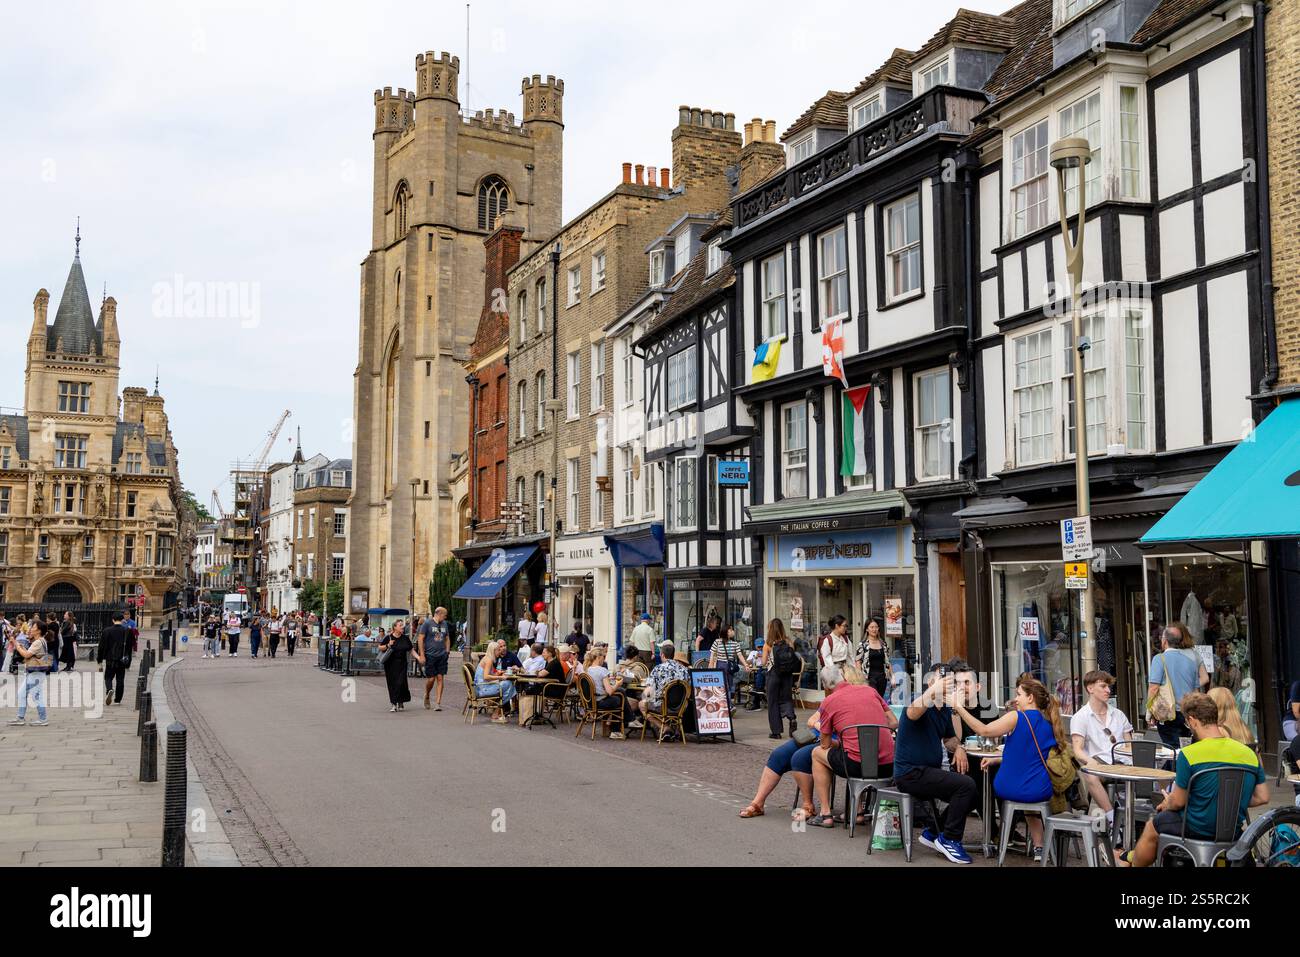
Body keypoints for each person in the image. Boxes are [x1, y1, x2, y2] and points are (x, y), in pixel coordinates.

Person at [1117, 692, 1269, 866]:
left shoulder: (1189, 754)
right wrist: (1228, 801)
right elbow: (1262, 797)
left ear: (1193, 720)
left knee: (1154, 824)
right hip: (1232, 829)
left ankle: (1131, 862)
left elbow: (1178, 802)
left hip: (1196, 827)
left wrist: (1167, 803)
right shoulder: (1248, 753)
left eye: (1187, 723)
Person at [953, 674, 1067, 861]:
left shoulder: (1016, 717)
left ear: (1030, 698)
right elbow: (1028, 754)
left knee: (995, 784)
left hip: (1010, 788)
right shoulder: (1049, 723)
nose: (1016, 699)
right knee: (1027, 789)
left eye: (1019, 694)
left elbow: (984, 731)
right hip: (1041, 789)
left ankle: (998, 838)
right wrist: (998, 759)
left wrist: (958, 707)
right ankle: (1039, 847)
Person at [891, 660, 976, 865]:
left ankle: (934, 832)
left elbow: (950, 739)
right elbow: (912, 712)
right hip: (910, 773)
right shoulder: (919, 702)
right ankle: (949, 839)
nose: (947, 684)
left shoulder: (944, 709)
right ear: (930, 683)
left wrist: (961, 748)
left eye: (949, 681)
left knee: (976, 787)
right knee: (966, 786)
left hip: (929, 772)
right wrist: (933, 692)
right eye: (942, 680)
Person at [807, 664, 897, 828]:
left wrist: (819, 727)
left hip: (857, 766)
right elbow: (894, 722)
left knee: (816, 753)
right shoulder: (870, 691)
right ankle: (857, 813)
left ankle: (825, 813)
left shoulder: (830, 701)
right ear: (843, 676)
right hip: (887, 765)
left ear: (826, 685)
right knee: (859, 751)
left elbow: (825, 744)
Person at [1069, 670, 1134, 827]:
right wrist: (1091, 762)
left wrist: (1134, 760)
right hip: (1100, 761)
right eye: (1103, 686)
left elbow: (1130, 745)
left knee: (1158, 772)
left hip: (1123, 762)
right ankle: (1112, 819)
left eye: (1109, 686)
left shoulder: (1118, 715)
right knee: (1091, 775)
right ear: (1090, 688)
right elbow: (1077, 750)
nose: (1108, 690)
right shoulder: (1081, 717)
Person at [1147, 622, 1210, 749]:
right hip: (1188, 713)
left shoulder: (1159, 659)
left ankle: (1176, 768)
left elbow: (1154, 688)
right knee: (1186, 748)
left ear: (1164, 641)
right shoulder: (1190, 661)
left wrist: (1149, 711)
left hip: (1168, 714)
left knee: (1172, 750)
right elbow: (1196, 690)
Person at [584, 648, 639, 737]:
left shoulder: (587, 670)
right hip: (600, 702)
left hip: (590, 702)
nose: (604, 659)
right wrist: (617, 684)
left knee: (620, 692)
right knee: (618, 698)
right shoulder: (602, 670)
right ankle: (617, 729)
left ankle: (630, 720)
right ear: (598, 657)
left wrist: (608, 681)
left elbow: (597, 684)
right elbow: (609, 691)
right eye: (604, 656)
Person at [6, 621, 52, 726]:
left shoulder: (38, 642)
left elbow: (26, 655)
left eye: (33, 627)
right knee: (21, 693)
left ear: (39, 630)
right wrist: (20, 646)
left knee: (36, 696)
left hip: (36, 673)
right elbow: (32, 654)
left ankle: (43, 719)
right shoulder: (41, 641)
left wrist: (16, 645)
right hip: (34, 672)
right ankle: (20, 718)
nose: (31, 629)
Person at [639, 640, 690, 725]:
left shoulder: (658, 669)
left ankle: (663, 727)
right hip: (681, 707)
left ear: (662, 655)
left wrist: (644, 699)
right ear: (673, 655)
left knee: (641, 704)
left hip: (662, 706)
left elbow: (649, 690)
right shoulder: (684, 670)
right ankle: (672, 729)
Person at [764, 619, 799, 739]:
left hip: (773, 674)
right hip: (787, 675)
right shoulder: (788, 641)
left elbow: (764, 663)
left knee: (773, 702)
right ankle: (792, 718)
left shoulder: (768, 644)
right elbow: (792, 656)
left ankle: (776, 732)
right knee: (787, 698)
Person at [417, 606, 451, 711]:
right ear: (439, 614)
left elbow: (447, 638)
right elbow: (420, 639)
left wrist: (447, 651)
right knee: (431, 679)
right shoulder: (427, 623)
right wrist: (422, 654)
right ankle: (427, 695)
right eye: (444, 615)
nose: (445, 618)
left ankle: (438, 703)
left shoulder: (444, 624)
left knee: (440, 678)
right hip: (430, 655)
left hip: (442, 655)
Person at [475, 639, 517, 724]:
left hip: (480, 687)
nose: (500, 651)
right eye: (498, 649)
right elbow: (486, 677)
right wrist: (500, 677)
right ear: (494, 650)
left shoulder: (486, 658)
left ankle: (498, 711)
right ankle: (496, 713)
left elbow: (488, 675)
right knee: (509, 685)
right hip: (483, 689)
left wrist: (499, 674)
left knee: (508, 685)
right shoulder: (489, 660)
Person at [98, 612, 132, 707]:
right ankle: (117, 700)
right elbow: (129, 648)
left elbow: (101, 647)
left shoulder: (106, 631)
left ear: (113, 620)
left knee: (108, 677)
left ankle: (109, 689)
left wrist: (99, 661)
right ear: (122, 620)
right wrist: (128, 662)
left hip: (110, 659)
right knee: (120, 679)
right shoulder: (127, 631)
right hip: (122, 659)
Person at [378, 619, 412, 712]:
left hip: (402, 664)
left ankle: (400, 701)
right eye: (400, 625)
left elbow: (411, 649)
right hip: (390, 665)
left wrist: (419, 657)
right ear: (395, 627)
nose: (402, 627)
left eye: (402, 625)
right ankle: (394, 704)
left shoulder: (405, 638)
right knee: (392, 684)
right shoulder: (388, 637)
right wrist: (388, 645)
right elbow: (380, 647)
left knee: (401, 683)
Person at [856, 618, 890, 698]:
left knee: (880, 699)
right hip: (869, 677)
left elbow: (888, 661)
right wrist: (859, 678)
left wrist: (893, 676)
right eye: (872, 627)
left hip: (882, 677)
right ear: (867, 629)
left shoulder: (883, 644)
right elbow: (858, 661)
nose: (874, 629)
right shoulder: (863, 644)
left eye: (876, 627)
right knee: (873, 698)